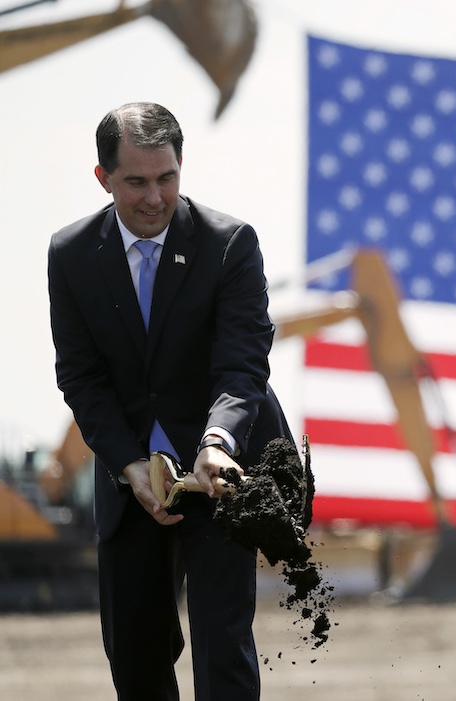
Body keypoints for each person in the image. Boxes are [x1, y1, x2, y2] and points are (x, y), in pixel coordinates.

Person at [48, 102, 292, 701]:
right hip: (130, 474)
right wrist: (129, 464)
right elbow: (80, 377)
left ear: (182, 167)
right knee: (135, 656)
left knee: (221, 645)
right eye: (136, 182)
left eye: (167, 178)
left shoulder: (230, 244)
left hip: (219, 472)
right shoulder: (71, 254)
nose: (155, 197)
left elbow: (242, 363)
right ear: (103, 178)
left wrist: (217, 442)